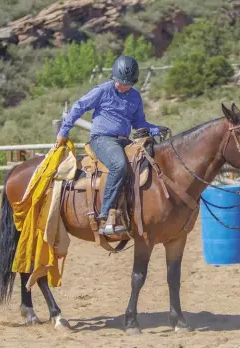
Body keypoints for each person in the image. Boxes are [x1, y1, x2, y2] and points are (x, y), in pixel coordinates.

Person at [55, 55, 169, 235]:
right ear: (114, 77)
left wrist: (156, 129)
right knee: (118, 165)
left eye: (128, 83)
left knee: (144, 163)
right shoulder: (102, 90)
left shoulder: (135, 96)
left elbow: (139, 123)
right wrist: (64, 131)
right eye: (120, 82)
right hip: (102, 139)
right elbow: (79, 107)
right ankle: (106, 213)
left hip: (124, 140)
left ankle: (130, 212)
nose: (123, 86)